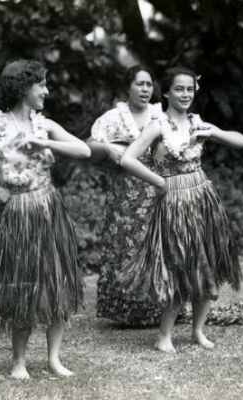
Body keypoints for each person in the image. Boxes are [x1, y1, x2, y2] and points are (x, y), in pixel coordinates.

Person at [0, 60, 89, 379]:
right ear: (22, 87)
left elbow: (82, 150)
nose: (46, 90)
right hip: (15, 212)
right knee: (22, 285)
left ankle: (54, 359)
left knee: (56, 281)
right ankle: (19, 362)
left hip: (47, 208)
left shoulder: (45, 125)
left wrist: (45, 143)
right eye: (41, 84)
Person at [118, 66, 243, 353]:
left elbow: (242, 141)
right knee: (177, 267)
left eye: (190, 89)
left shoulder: (198, 124)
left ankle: (198, 331)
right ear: (166, 92)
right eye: (179, 89)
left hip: (203, 199)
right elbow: (127, 159)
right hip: (174, 203)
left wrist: (215, 133)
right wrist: (158, 182)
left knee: (206, 263)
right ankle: (164, 335)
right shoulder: (156, 125)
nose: (186, 94)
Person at [88, 65, 164, 326]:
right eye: (139, 84)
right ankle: (125, 312)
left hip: (157, 189)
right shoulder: (113, 117)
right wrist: (107, 147)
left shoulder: (161, 115)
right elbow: (88, 148)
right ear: (127, 87)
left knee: (157, 246)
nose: (145, 89)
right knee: (125, 248)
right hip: (125, 193)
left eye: (148, 84)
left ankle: (160, 309)